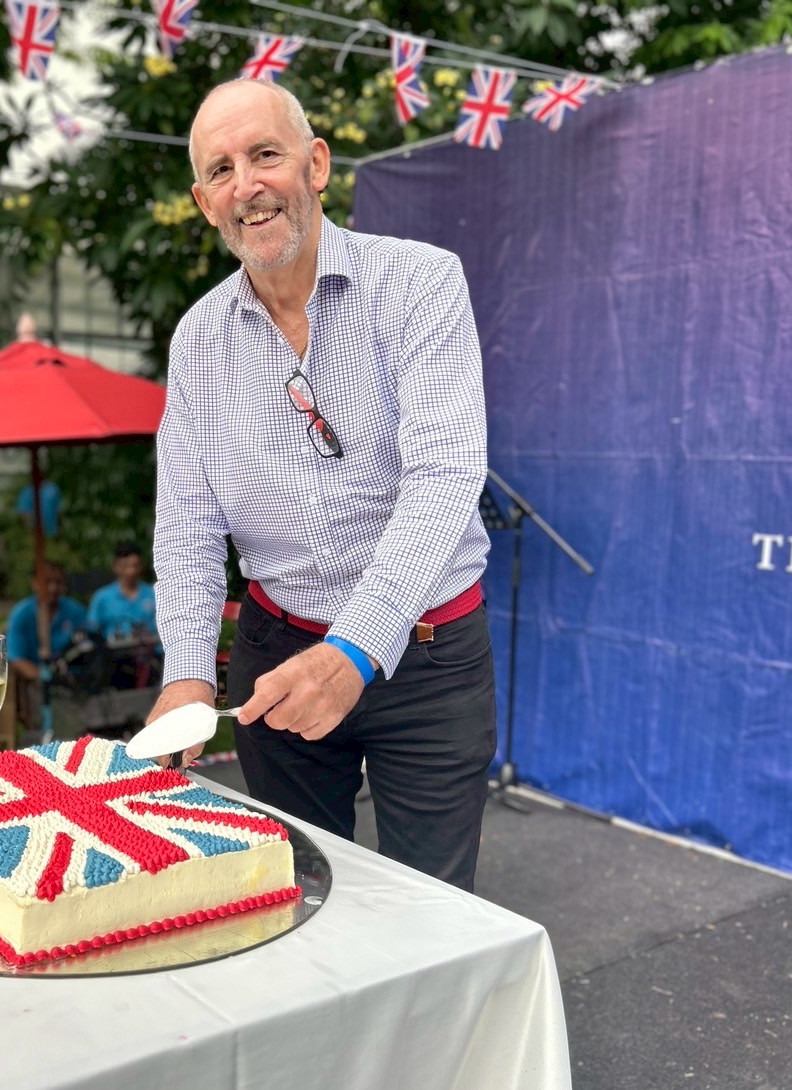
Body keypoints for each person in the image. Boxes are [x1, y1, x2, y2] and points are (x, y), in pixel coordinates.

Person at [148, 79, 496, 891]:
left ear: (315, 166)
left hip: (428, 655)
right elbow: (187, 523)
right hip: (276, 651)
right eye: (221, 170)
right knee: (293, 900)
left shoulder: (419, 281)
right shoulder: (197, 338)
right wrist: (187, 672)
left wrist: (352, 650)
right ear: (204, 202)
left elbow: (445, 476)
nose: (246, 185)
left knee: (431, 913)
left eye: (264, 155)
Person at [4, 563, 88, 685]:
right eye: (47, 582)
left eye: (58, 582)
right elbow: (16, 657)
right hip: (36, 683)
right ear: (34, 583)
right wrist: (42, 677)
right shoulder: (21, 614)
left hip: (74, 680)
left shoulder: (76, 611)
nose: (53, 588)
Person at [87, 542, 157, 643]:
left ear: (141, 566)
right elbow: (92, 629)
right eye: (125, 566)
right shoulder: (102, 598)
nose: (131, 571)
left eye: (135, 566)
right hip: (114, 651)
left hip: (151, 649)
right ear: (115, 567)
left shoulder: (154, 594)